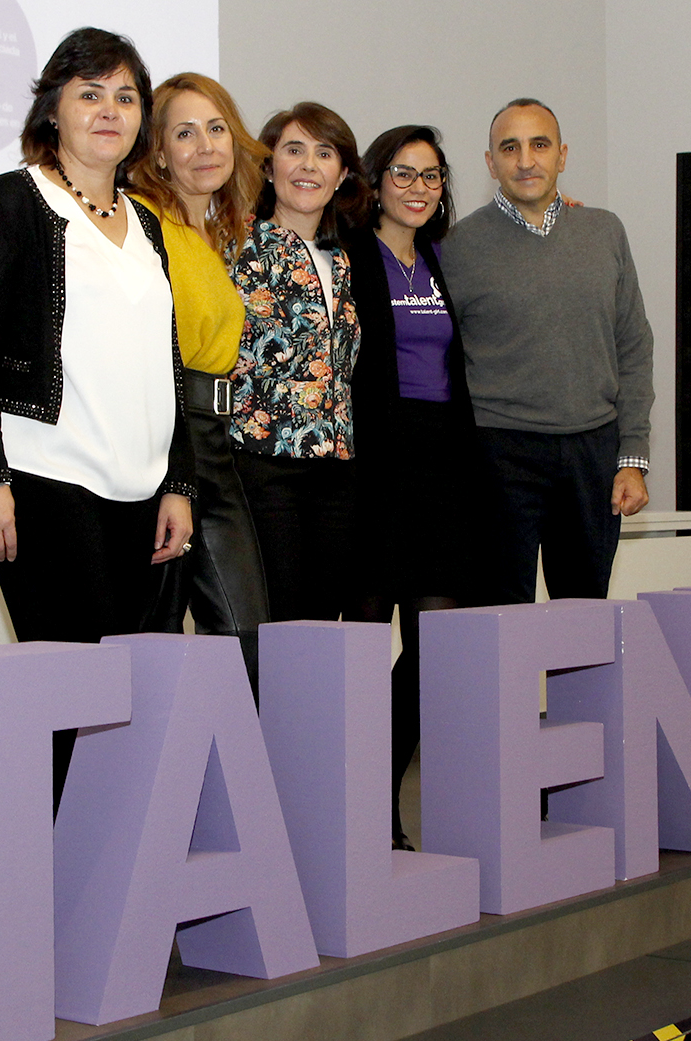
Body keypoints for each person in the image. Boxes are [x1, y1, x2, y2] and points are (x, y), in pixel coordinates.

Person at [0, 27, 194, 809]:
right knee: (72, 699)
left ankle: (112, 867)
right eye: (90, 93)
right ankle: (47, 866)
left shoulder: (147, 223)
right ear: (52, 109)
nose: (109, 110)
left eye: (126, 96)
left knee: (129, 702)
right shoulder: (7, 204)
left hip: (143, 491)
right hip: (45, 480)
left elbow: (167, 362)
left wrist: (179, 483)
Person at [439, 98, 655, 604]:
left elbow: (633, 346)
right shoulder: (456, 246)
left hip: (593, 452)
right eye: (509, 148)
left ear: (562, 155)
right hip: (498, 453)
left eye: (539, 145)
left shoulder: (604, 231)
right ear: (490, 162)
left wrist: (633, 457)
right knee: (498, 617)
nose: (525, 160)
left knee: (584, 616)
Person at [341, 124, 479, 849]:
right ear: (374, 181)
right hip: (374, 472)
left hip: (441, 475)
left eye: (431, 175)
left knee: (434, 651)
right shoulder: (348, 252)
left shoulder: (439, 259)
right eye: (403, 173)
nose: (418, 188)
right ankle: (363, 816)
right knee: (363, 654)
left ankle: (382, 788)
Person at [127, 72, 272, 691]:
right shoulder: (137, 222)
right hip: (162, 440)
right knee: (152, 637)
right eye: (185, 133)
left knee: (248, 635)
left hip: (215, 441)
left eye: (216, 128)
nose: (207, 145)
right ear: (158, 152)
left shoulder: (210, 235)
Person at [229, 102, 366, 622]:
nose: (309, 165)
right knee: (277, 620)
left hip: (336, 470)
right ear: (268, 167)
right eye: (294, 150)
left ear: (342, 174)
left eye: (324, 153)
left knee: (324, 624)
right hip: (263, 465)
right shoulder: (235, 245)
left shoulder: (343, 259)